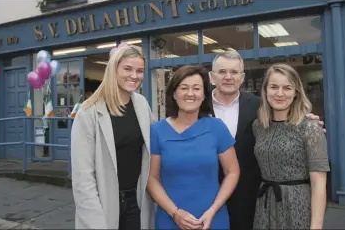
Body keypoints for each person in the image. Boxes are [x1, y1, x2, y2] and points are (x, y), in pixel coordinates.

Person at [209, 50, 324, 229]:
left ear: (242, 76)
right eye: (222, 72)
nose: (228, 77)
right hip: (207, 196)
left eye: (234, 72)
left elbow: (286, 114)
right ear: (212, 76)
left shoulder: (259, 106)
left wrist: (308, 121)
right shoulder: (196, 107)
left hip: (252, 200)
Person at [71, 43, 155, 229]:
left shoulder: (141, 104)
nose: (134, 76)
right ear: (113, 69)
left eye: (140, 71)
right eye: (128, 69)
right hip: (103, 204)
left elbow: (155, 145)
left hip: (137, 201)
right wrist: (94, 220)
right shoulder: (88, 112)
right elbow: (82, 178)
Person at [147, 65, 240, 229]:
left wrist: (213, 210)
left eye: (196, 88)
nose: (190, 94)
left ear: (204, 95)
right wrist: (175, 213)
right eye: (184, 88)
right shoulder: (156, 131)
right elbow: (152, 179)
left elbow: (232, 171)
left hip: (211, 219)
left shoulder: (217, 127)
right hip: (170, 219)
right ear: (174, 94)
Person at [252, 64, 329, 229]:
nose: (280, 94)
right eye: (274, 87)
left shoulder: (310, 128)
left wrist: (316, 227)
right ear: (265, 91)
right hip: (264, 205)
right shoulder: (258, 126)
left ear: (296, 93)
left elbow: (319, 184)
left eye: (287, 88)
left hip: (297, 206)